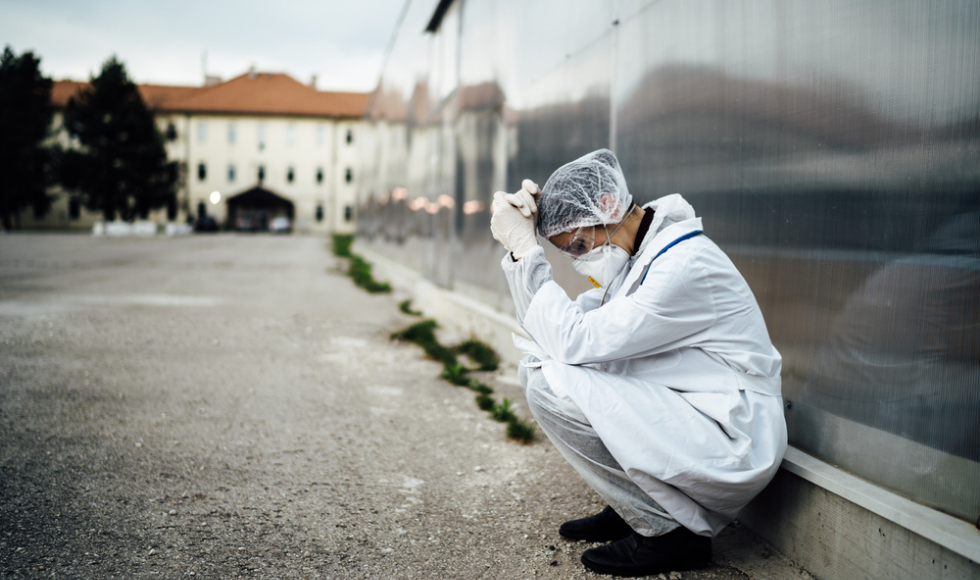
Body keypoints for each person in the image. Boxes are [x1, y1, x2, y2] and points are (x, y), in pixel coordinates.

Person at [489, 149, 786, 577]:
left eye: (578, 245)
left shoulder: (683, 264)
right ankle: (636, 505)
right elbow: (552, 333)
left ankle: (669, 532)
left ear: (608, 207)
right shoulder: (642, 259)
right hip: (698, 412)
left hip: (733, 435)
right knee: (551, 368)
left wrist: (524, 248)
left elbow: (572, 340)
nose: (578, 259)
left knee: (550, 382)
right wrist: (523, 251)